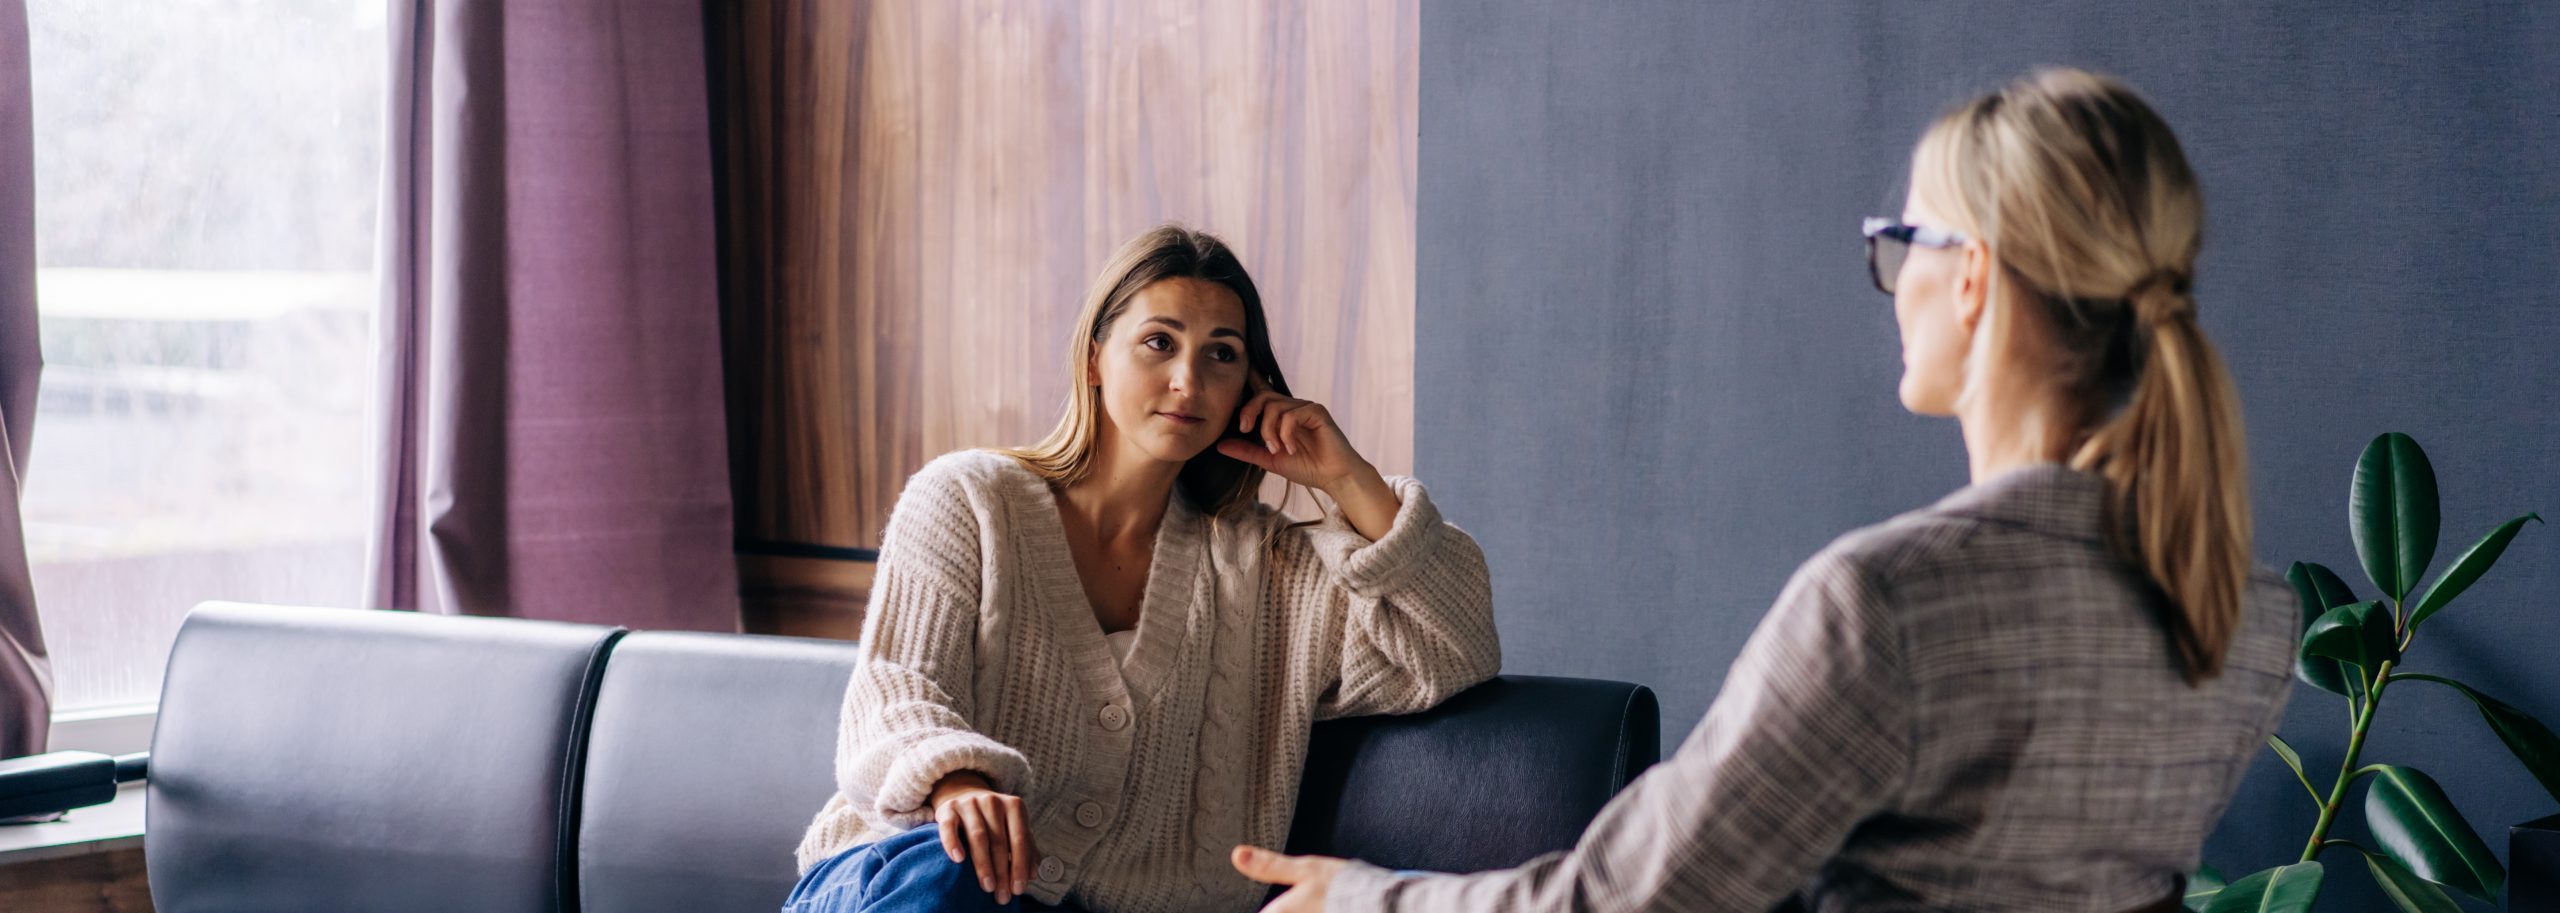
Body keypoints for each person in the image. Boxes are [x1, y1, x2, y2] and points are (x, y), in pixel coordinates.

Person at [1236, 67, 2297, 913]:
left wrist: (1363, 897)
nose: (1892, 282)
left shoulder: (1888, 603)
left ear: (1969, 277)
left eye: (1902, 243)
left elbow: (1631, 902)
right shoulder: (2246, 617)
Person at [785, 224, 1502, 913]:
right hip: (907, 877)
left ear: (1247, 386)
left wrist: (1350, 479)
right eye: (1159, 343)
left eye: (1222, 354)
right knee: (949, 874)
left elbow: (1454, 647)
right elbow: (897, 686)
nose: (1188, 380)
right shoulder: (970, 499)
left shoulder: (1270, 569)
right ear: (1095, 358)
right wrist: (957, 781)